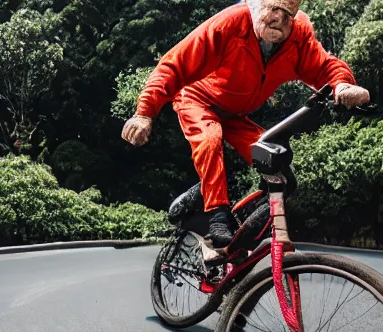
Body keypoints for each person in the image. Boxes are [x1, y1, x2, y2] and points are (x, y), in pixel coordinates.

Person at [121, 0, 369, 247]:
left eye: (287, 15)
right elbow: (174, 64)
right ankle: (216, 215)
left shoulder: (298, 33)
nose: (279, 21)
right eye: (273, 10)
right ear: (258, 6)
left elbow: (323, 66)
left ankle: (240, 233)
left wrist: (343, 84)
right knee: (209, 139)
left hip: (236, 115)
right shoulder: (230, 24)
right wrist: (144, 113)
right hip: (197, 99)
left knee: (278, 168)